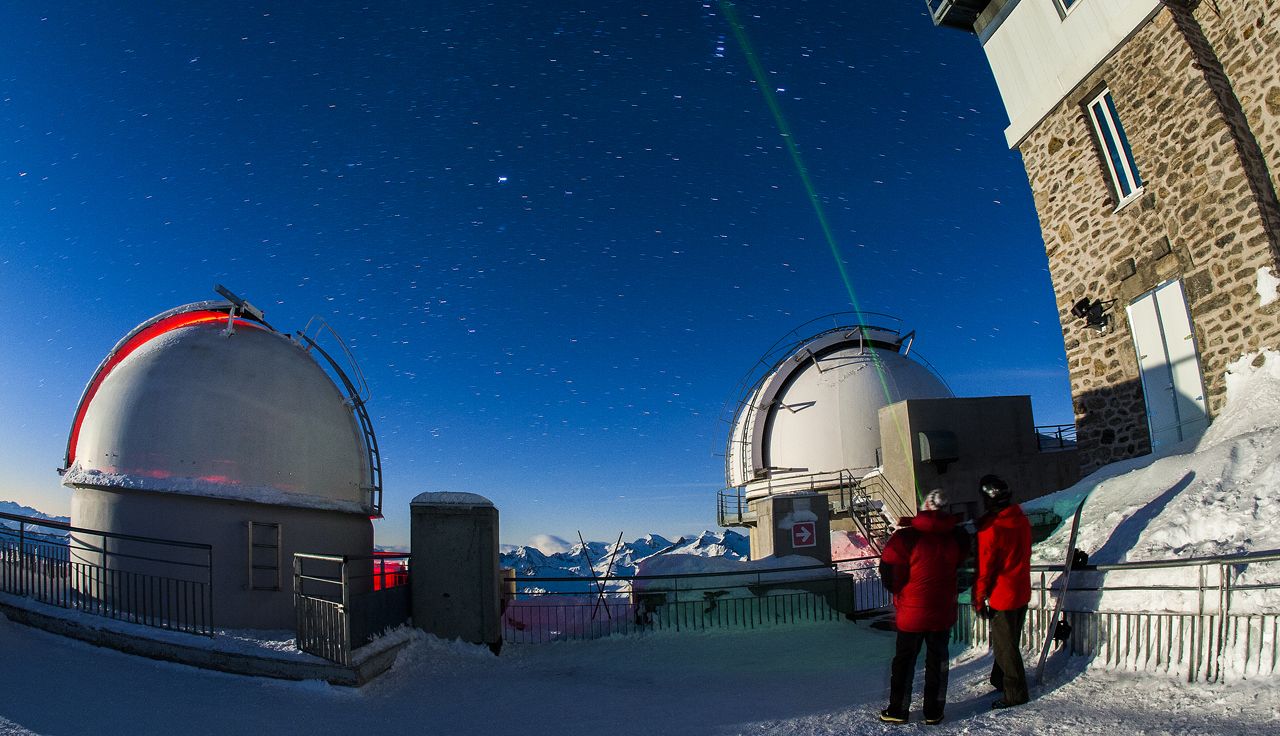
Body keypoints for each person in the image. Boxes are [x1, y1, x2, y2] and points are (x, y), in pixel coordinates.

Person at [878, 489, 970, 726]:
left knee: (904, 661)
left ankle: (898, 710)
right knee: (937, 660)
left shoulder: (905, 538)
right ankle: (934, 711)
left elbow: (888, 572)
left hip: (911, 613)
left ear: (923, 507)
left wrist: (901, 593)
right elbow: (963, 563)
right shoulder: (956, 537)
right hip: (942, 611)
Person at [973, 473, 1032, 709]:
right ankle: (999, 679)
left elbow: (985, 568)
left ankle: (1015, 694)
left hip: (1002, 595)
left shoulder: (991, 529)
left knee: (1005, 647)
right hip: (1021, 589)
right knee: (1009, 640)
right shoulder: (1020, 519)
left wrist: (979, 599)